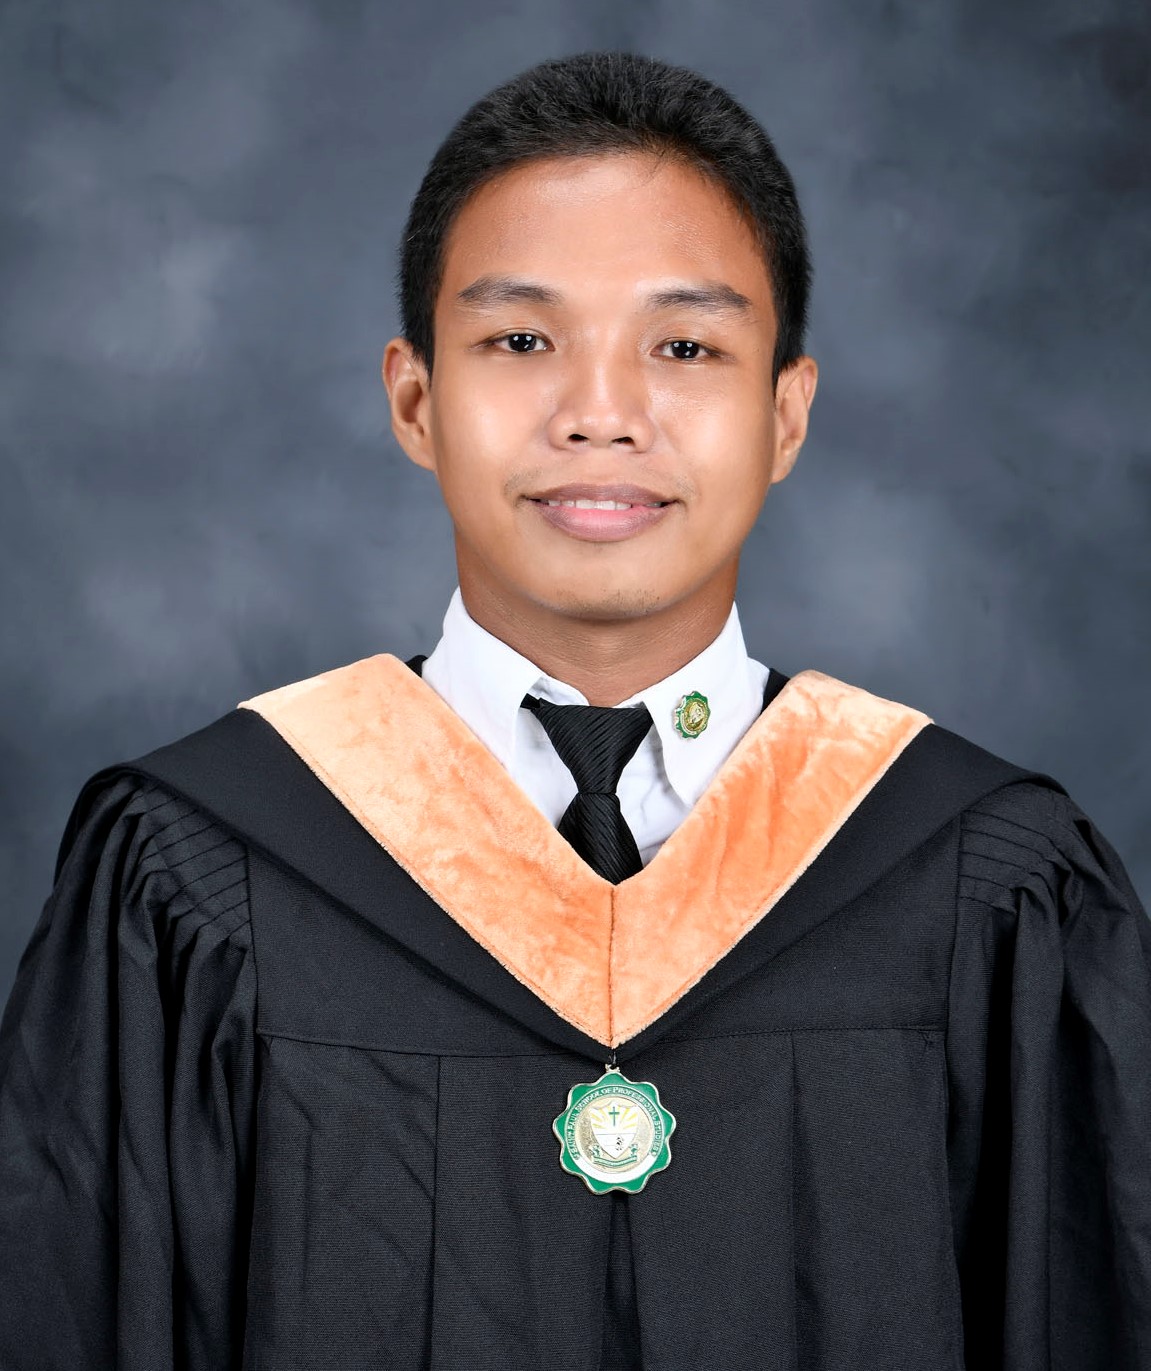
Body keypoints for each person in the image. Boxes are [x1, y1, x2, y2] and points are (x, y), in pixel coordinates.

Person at [1, 50, 1148, 1371]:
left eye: (685, 346)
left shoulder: (983, 883)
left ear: (786, 415)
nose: (602, 416)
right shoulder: (199, 873)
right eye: (521, 341)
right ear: (415, 400)